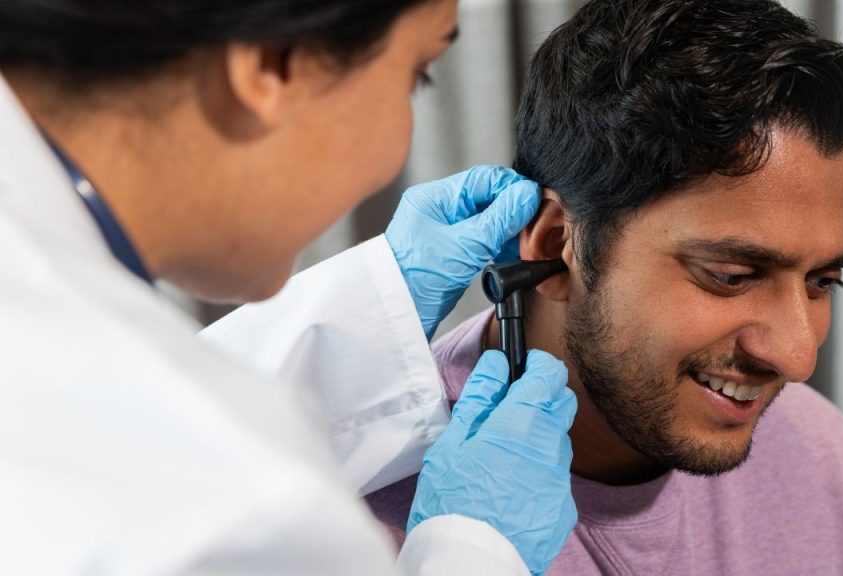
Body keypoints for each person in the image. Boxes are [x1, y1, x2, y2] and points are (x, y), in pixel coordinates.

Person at [0, 1, 577, 575]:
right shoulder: (228, 521)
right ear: (271, 65)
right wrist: (476, 552)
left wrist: (384, 298)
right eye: (414, 75)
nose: (393, 153)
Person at [364, 0, 843, 574]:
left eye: (823, 281)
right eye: (731, 276)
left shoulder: (823, 454)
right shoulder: (361, 509)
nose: (798, 359)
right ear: (555, 245)